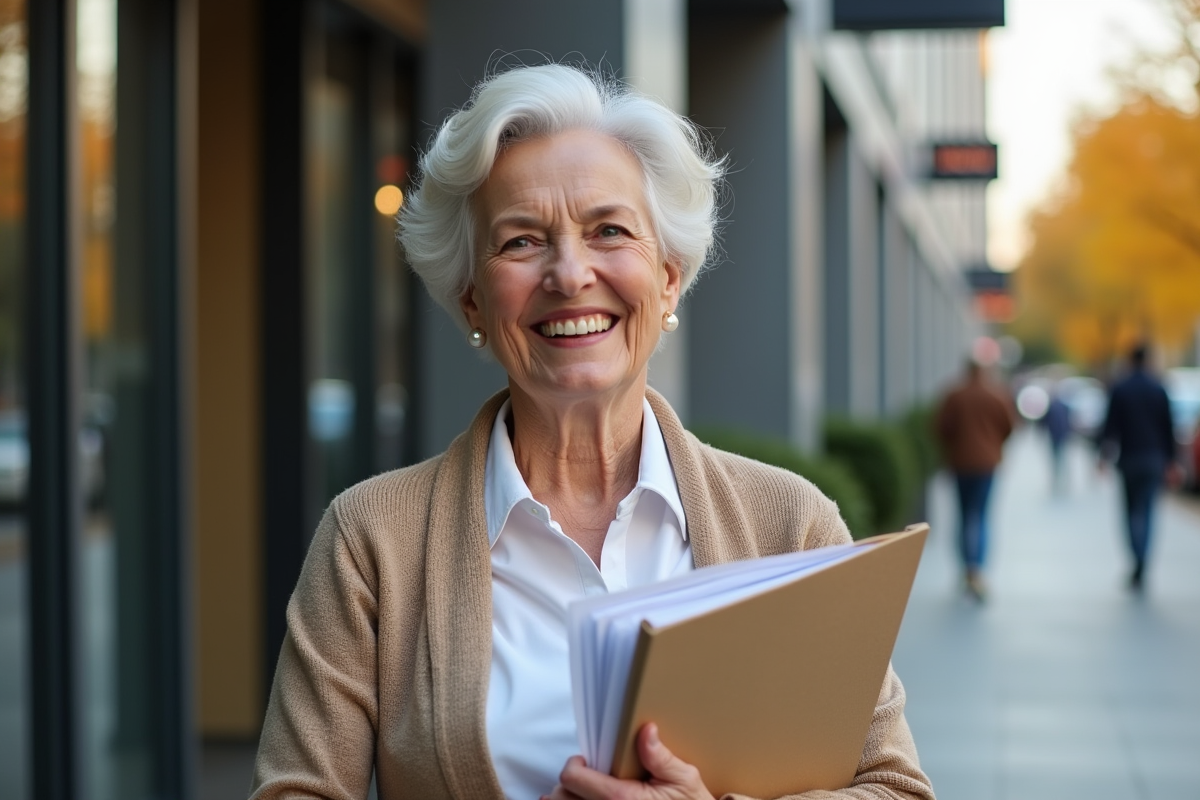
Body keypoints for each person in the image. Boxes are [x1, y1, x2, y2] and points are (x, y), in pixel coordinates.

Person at [249, 64, 934, 800]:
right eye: (520, 242)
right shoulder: (370, 540)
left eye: (608, 230)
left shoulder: (790, 523)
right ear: (473, 300)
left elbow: (893, 786)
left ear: (668, 277)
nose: (570, 273)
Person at [1097, 344, 1180, 592]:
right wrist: (1172, 461)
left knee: (1131, 512)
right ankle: (1143, 559)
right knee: (1148, 511)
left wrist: (1102, 456)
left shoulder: (1121, 388)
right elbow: (1169, 428)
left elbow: (1110, 425)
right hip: (1154, 459)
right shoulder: (1159, 388)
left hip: (1130, 458)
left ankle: (1137, 558)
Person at [934, 360, 1014, 601]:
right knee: (980, 515)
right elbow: (1009, 426)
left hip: (960, 464)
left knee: (964, 514)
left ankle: (967, 568)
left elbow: (940, 427)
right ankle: (976, 569)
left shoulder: (954, 396)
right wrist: (992, 445)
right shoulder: (996, 395)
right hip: (987, 465)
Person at [1040, 389, 1071, 494]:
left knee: (1057, 459)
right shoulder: (1063, 406)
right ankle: (1061, 480)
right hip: (1060, 435)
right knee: (1062, 458)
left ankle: (1058, 479)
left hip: (1055, 436)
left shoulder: (1052, 406)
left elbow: (1044, 422)